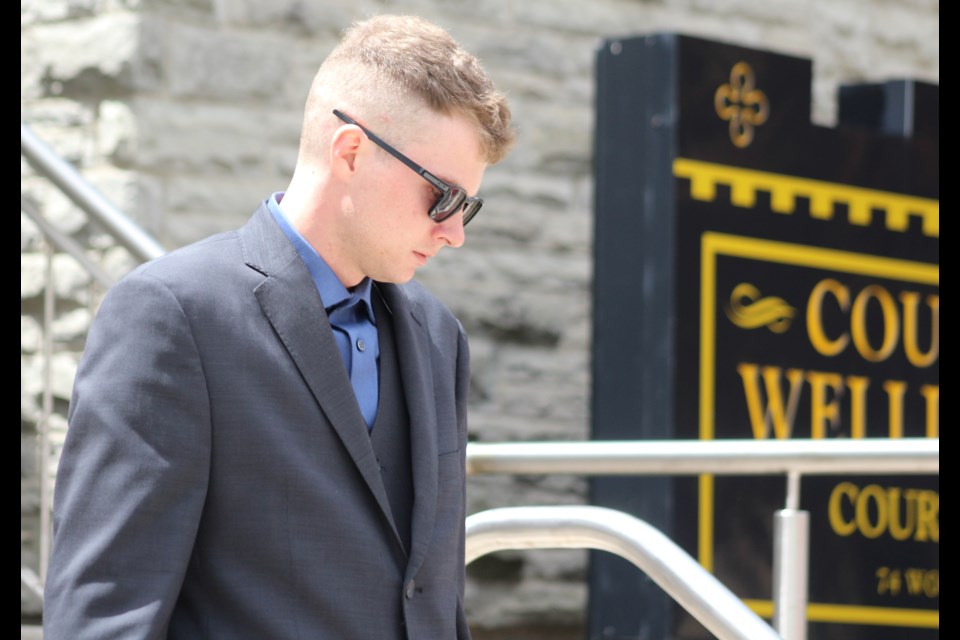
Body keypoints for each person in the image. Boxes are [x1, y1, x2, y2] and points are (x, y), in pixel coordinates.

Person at [42, 14, 515, 639]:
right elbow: (107, 613)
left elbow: (432, 597)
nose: (453, 232)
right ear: (351, 151)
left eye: (468, 208)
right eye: (443, 197)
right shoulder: (172, 315)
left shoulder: (437, 335)